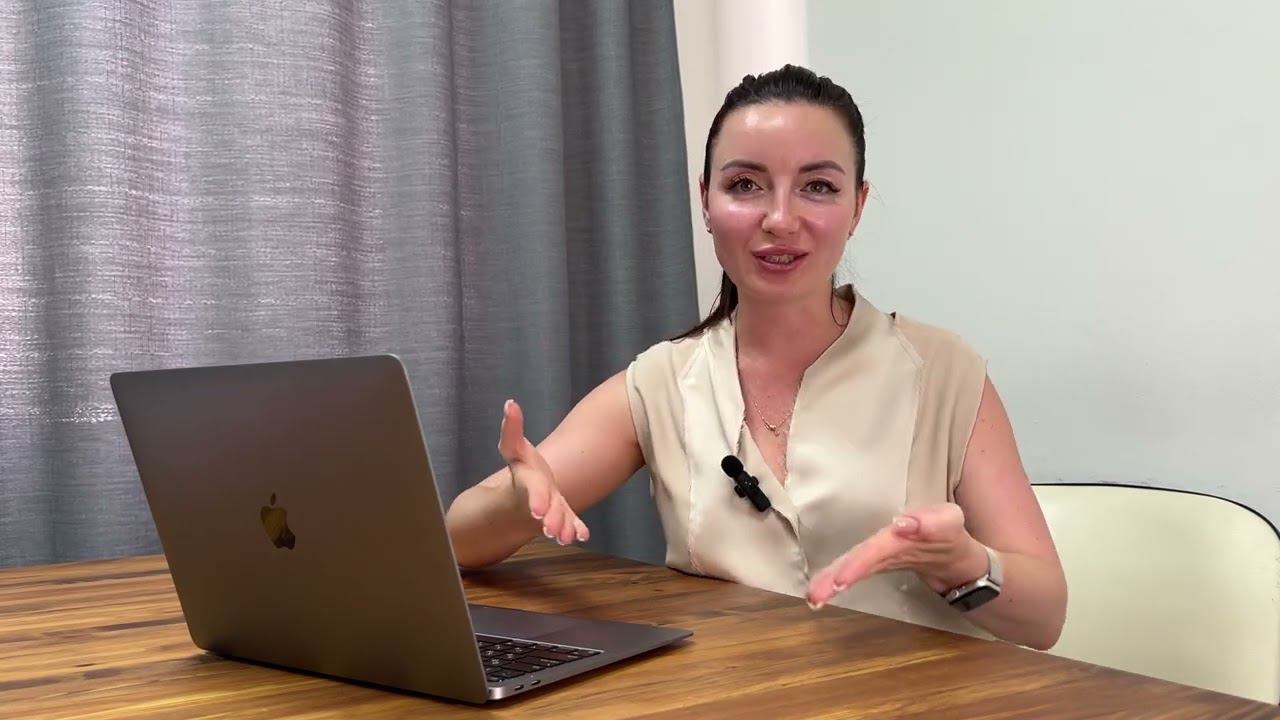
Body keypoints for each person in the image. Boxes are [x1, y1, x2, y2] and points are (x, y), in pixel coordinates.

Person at [445, 65, 1067, 650]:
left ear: (857, 206)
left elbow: (1044, 618)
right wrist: (518, 499)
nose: (780, 218)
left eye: (818, 187)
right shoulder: (663, 382)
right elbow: (457, 542)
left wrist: (962, 565)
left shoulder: (944, 373)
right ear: (705, 201)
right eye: (745, 185)